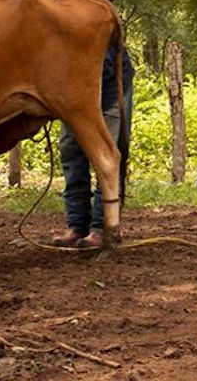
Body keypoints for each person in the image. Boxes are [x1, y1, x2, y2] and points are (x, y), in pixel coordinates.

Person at [51, 45, 135, 248]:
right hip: (74, 98)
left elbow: (101, 66)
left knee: (106, 158)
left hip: (110, 92)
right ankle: (77, 225)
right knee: (72, 153)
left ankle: (103, 227)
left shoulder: (95, 21)